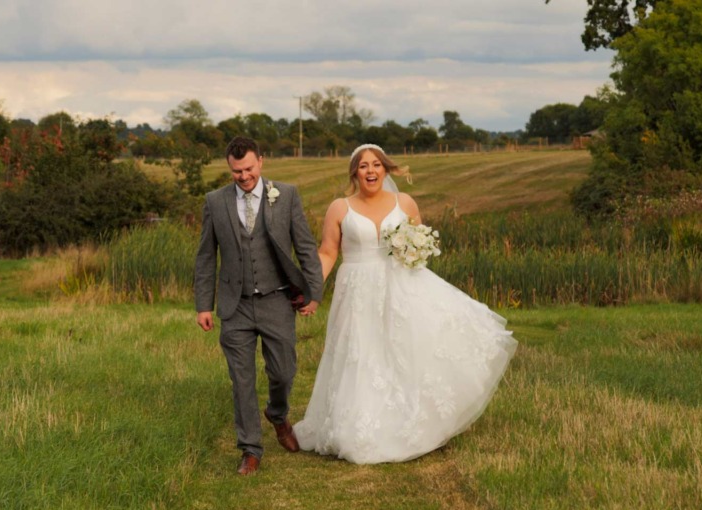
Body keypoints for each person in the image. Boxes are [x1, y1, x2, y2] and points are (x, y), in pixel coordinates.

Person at [294, 144, 518, 464]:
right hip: (356, 291)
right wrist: (312, 290)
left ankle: (410, 418)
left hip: (399, 287)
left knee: (400, 351)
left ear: (386, 169)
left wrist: (415, 257)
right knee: (361, 353)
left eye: (376, 165)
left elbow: (418, 246)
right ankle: (355, 422)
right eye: (362, 166)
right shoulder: (339, 208)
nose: (370, 171)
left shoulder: (406, 203)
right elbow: (328, 252)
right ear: (354, 173)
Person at [194, 136, 324, 475]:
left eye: (249, 168)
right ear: (230, 168)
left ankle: (278, 414)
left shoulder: (287, 195)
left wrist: (314, 292)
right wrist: (203, 305)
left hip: (277, 299)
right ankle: (250, 449)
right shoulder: (215, 201)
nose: (243, 176)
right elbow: (207, 256)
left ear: (261, 162)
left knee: (283, 371)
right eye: (236, 171)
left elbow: (306, 247)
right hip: (234, 306)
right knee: (242, 379)